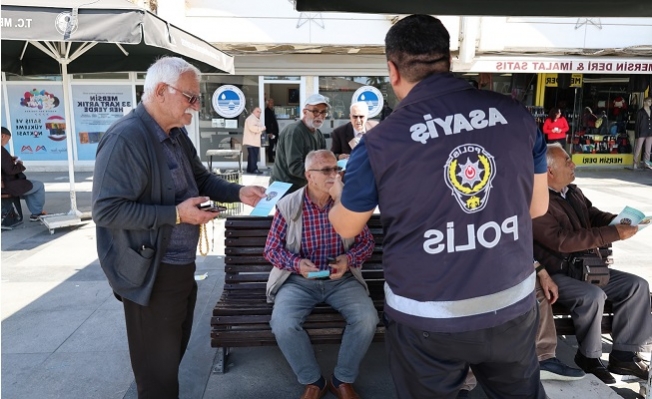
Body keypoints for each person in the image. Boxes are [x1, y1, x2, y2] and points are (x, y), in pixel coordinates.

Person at [328, 15, 549, 399]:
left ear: (392, 70)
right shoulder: (517, 115)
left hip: (426, 318)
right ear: (448, 60)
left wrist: (335, 196)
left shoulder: (380, 143)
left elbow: (346, 228)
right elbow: (537, 207)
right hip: (510, 305)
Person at [92, 57, 266, 399]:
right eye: (191, 97)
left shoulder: (174, 133)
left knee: (169, 364)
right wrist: (176, 214)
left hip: (179, 268)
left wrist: (238, 192)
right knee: (157, 379)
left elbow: (199, 178)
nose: (197, 106)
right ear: (160, 91)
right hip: (150, 273)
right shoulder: (126, 138)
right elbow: (105, 210)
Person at [532, 143, 651, 384]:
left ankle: (624, 355)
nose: (573, 165)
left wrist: (621, 222)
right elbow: (562, 241)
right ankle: (589, 357)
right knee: (592, 296)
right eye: (567, 161)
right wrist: (614, 233)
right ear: (550, 171)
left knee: (637, 286)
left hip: (587, 266)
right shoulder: (538, 202)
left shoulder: (572, 192)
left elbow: (592, 216)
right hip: (557, 272)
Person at [264, 149, 378, 399]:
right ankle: (313, 380)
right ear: (309, 175)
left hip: (341, 279)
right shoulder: (289, 204)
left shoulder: (346, 202)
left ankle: (342, 379)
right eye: (325, 170)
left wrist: (348, 260)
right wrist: (296, 264)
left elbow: (367, 243)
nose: (333, 174)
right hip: (298, 281)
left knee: (366, 318)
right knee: (283, 324)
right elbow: (271, 250)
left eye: (336, 169)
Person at [269, 93, 329, 193]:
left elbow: (322, 160)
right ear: (305, 112)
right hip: (284, 189)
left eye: (323, 112)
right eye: (315, 111)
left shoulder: (318, 134)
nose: (320, 116)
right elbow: (295, 167)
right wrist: (319, 176)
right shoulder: (294, 132)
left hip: (302, 188)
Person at [1, 126, 47, 221]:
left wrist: (10, 159)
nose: (7, 143)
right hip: (7, 185)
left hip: (5, 183)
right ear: (2, 136)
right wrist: (19, 164)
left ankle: (36, 212)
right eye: (7, 139)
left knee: (29, 185)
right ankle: (37, 213)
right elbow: (10, 170)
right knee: (38, 185)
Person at [243, 106, 266, 174]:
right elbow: (252, 128)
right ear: (253, 112)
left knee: (251, 156)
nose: (259, 113)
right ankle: (253, 169)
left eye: (260, 112)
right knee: (253, 156)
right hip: (252, 141)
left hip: (253, 141)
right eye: (257, 111)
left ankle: (250, 169)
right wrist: (262, 128)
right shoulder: (251, 119)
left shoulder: (254, 119)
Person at [633, 96, 652, 170]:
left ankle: (646, 163)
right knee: (638, 148)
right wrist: (637, 134)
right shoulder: (640, 112)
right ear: (644, 102)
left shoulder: (651, 110)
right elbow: (637, 124)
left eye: (651, 102)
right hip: (642, 132)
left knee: (648, 149)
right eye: (649, 101)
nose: (650, 103)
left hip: (649, 132)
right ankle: (635, 162)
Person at [265, 98, 280, 163]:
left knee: (275, 145)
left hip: (274, 131)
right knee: (271, 146)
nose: (272, 104)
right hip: (271, 132)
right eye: (270, 103)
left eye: (272, 103)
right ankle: (270, 159)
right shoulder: (267, 111)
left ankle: (275, 158)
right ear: (267, 103)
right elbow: (267, 122)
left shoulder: (271, 110)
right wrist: (269, 132)